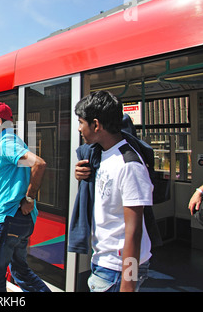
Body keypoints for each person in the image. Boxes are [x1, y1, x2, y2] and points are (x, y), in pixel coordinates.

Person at [73, 91, 154, 292]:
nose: (79, 128)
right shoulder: (100, 155)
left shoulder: (129, 165)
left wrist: (128, 283)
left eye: (81, 122)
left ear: (96, 125)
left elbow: (134, 232)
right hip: (104, 261)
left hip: (118, 270)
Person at [0, 102, 50, 292]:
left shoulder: (6, 143)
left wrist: (29, 198)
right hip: (22, 221)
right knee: (20, 271)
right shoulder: (13, 141)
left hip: (9, 219)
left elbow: (39, 164)